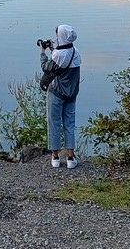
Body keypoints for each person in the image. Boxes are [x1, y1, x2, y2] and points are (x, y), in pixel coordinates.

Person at [39, 24, 82, 168]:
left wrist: (43, 52)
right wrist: (53, 49)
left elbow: (47, 67)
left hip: (56, 93)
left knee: (54, 123)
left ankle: (55, 157)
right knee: (69, 124)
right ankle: (70, 158)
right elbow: (63, 60)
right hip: (72, 94)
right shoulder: (75, 52)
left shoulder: (57, 56)